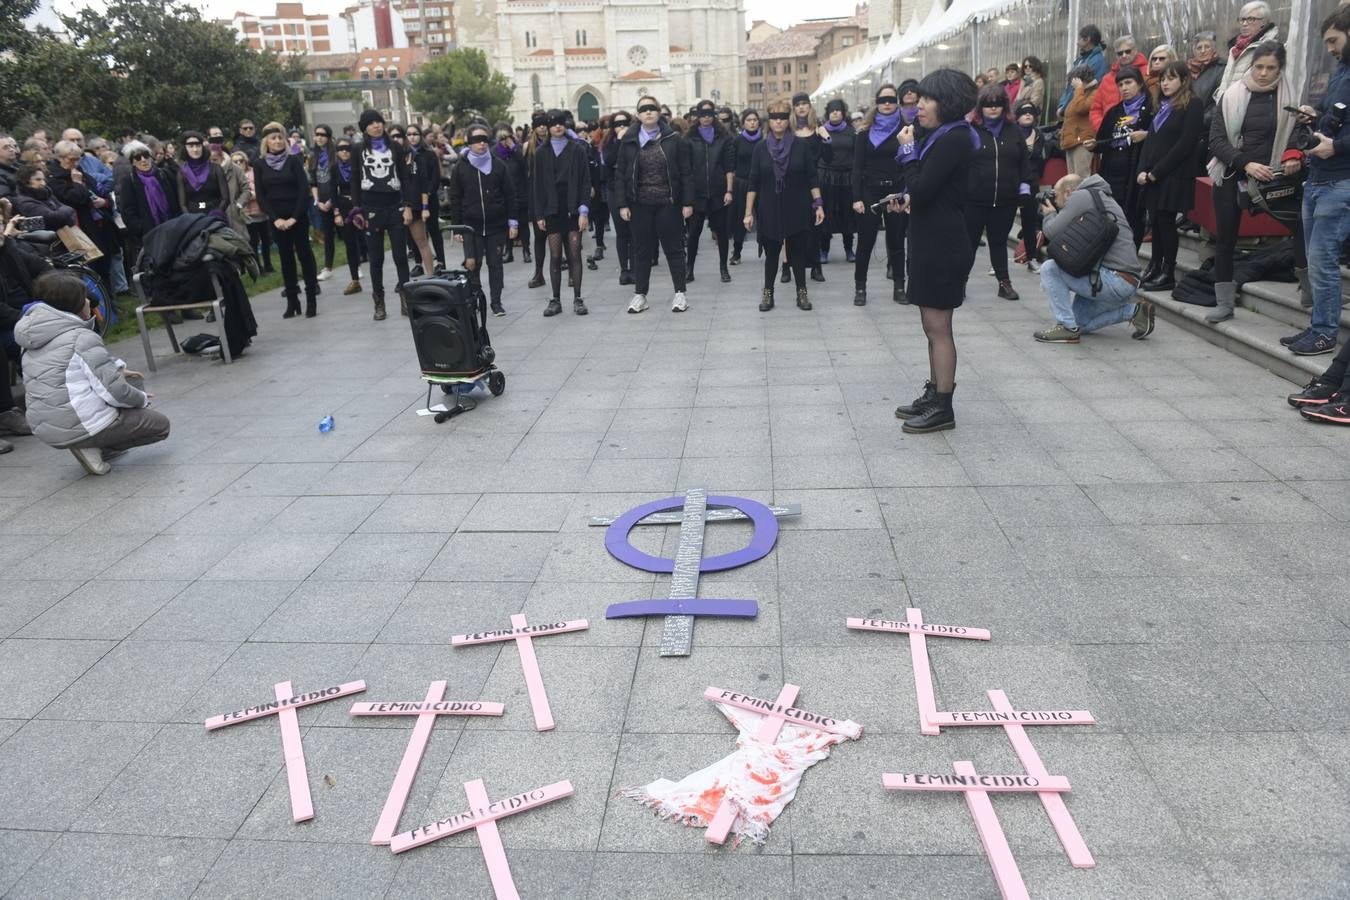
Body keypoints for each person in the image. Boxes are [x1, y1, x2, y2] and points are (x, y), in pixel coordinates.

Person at [892, 70, 981, 434]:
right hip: (931, 238)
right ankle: (934, 392)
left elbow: (924, 187)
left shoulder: (956, 137)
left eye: (927, 99)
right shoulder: (945, 136)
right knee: (931, 326)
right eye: (918, 99)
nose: (918, 106)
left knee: (939, 327)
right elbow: (928, 191)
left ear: (949, 103)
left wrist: (908, 153)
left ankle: (944, 405)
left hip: (944, 243)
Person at [16, 269, 169, 476]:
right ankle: (93, 446)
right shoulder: (80, 337)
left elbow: (75, 364)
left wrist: (118, 368)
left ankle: (90, 442)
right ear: (74, 305)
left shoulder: (31, 335)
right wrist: (141, 400)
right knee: (160, 426)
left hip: (44, 427)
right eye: (86, 298)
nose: (90, 302)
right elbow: (113, 391)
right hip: (77, 426)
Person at [1204, 41, 1307, 327]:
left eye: (1270, 68)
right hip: (1232, 176)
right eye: (1259, 67)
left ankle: (1311, 292)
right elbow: (1216, 141)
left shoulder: (1291, 96)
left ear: (1280, 68)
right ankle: (1224, 302)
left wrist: (1293, 156)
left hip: (1275, 178)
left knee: (1301, 226)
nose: (1263, 73)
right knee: (1225, 240)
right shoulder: (1231, 96)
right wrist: (1245, 163)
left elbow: (1299, 134)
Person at [1288, 8, 1350, 356]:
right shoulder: (1341, 71)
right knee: (1315, 260)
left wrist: (1336, 146)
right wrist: (1316, 116)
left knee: (1323, 261)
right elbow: (1336, 116)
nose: (1329, 49)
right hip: (1318, 178)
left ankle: (1325, 333)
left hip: (1340, 181)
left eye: (1333, 41)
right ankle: (1318, 327)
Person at [1032, 173, 1150, 343]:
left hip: (1115, 279)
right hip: (1126, 280)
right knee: (1081, 323)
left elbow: (1051, 232)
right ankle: (1135, 312)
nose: (1055, 201)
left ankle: (1066, 328)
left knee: (1050, 268)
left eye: (1055, 195)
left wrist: (1050, 213)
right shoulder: (1099, 196)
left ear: (1068, 192)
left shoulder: (1080, 196)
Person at [611, 94, 693, 314]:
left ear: (659, 113)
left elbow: (685, 172)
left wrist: (687, 202)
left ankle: (680, 294)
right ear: (637, 115)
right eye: (643, 109)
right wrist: (622, 204)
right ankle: (640, 295)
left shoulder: (674, 139)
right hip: (639, 204)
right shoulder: (629, 141)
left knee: (674, 248)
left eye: (652, 108)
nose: (648, 112)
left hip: (668, 203)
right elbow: (620, 174)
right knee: (641, 251)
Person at [744, 99, 825, 313]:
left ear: (788, 120)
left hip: (797, 204)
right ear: (769, 121)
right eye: (774, 118)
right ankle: (768, 292)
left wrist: (818, 204)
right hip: (769, 205)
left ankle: (802, 292)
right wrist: (748, 213)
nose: (778, 122)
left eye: (782, 118)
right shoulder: (761, 149)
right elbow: (753, 181)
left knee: (797, 252)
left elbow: (811, 177)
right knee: (771, 252)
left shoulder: (800, 146)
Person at [1134, 61, 1205, 291]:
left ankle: (1168, 271)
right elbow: (1151, 141)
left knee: (1165, 222)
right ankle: (1154, 265)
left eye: (1171, 78)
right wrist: (1142, 169)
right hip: (1154, 176)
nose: (1165, 83)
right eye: (1163, 79)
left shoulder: (1193, 104)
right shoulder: (1163, 106)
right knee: (1155, 221)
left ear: (1184, 80)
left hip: (1174, 175)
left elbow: (1185, 144)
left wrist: (1156, 172)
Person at [966, 85, 1034, 302]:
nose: (993, 108)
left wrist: (1024, 187)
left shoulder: (1013, 130)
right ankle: (959, 282)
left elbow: (1024, 162)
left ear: (1004, 106)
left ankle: (1004, 283)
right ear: (981, 107)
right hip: (975, 199)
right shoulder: (971, 130)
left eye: (997, 104)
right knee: (969, 242)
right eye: (988, 104)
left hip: (1005, 198)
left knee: (998, 241)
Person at [448, 123, 519, 318]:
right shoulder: (460, 168)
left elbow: (510, 195)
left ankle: (496, 302)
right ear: (468, 143)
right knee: (472, 264)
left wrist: (513, 222)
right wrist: (457, 229)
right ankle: (476, 300)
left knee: (495, 264)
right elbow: (455, 199)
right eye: (476, 140)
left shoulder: (498, 165)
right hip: (471, 226)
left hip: (496, 225)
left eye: (484, 140)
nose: (481, 144)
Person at [352, 108, 415, 321]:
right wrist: (356, 209)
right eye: (370, 123)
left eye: (378, 121)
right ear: (365, 128)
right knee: (376, 259)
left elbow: (405, 179)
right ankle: (379, 303)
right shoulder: (358, 150)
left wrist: (407, 206)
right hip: (370, 209)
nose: (376, 126)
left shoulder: (395, 147)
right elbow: (353, 181)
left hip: (395, 206)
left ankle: (406, 300)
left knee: (400, 256)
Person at [253, 121, 320, 319]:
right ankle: (292, 301)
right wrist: (275, 219)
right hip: (276, 219)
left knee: (305, 256)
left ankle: (311, 299)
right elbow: (261, 195)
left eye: (280, 138)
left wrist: (293, 217)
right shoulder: (259, 164)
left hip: (297, 217)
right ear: (266, 142)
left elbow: (303, 191)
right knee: (286, 260)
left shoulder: (294, 161)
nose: (277, 141)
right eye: (273, 138)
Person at [851, 84, 909, 307]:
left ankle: (899, 287)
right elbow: (857, 168)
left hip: (896, 190)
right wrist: (857, 198)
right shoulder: (864, 133)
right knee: (865, 242)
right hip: (869, 191)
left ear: (897, 102)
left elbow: (910, 163)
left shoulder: (906, 130)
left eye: (892, 100)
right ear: (876, 103)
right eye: (883, 100)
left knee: (896, 241)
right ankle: (860, 287)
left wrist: (907, 194)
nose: (887, 104)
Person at [530, 109, 591, 316]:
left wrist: (584, 210)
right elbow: (537, 186)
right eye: (553, 123)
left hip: (573, 208)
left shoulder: (578, 150)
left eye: (561, 122)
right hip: (552, 210)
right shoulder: (541, 153)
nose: (557, 126)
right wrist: (539, 215)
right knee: (555, 255)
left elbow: (585, 181)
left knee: (574, 254)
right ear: (547, 126)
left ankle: (578, 298)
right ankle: (555, 299)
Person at [1088, 65, 1152, 250]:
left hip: (1136, 170)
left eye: (1128, 82)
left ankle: (1131, 257)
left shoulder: (1151, 108)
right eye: (1121, 84)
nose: (1124, 87)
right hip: (1111, 169)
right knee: (1111, 215)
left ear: (1139, 83)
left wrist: (1146, 135)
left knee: (1133, 216)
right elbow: (1103, 139)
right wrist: (1094, 145)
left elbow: (1160, 137)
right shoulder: (1114, 111)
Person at [685, 100, 735, 284]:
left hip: (718, 191)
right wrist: (687, 197)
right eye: (702, 114)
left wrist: (729, 190)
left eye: (709, 114)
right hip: (697, 194)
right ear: (697, 116)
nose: (706, 117)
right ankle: (689, 268)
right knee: (694, 233)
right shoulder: (689, 138)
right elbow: (686, 169)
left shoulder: (724, 137)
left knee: (721, 232)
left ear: (714, 115)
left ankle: (723, 268)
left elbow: (729, 166)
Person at [116, 141, 181, 267]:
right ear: (133, 162)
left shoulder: (164, 174)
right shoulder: (129, 181)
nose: (143, 160)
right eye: (138, 158)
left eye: (146, 156)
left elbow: (177, 198)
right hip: (149, 234)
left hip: (172, 228)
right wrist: (141, 228)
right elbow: (127, 210)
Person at [789, 93, 827, 284]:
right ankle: (786, 266)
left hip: (814, 183)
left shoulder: (817, 129)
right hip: (793, 183)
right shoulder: (789, 130)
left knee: (815, 227)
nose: (802, 107)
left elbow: (828, 158)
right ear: (794, 108)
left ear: (810, 107)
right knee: (789, 226)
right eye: (798, 104)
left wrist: (826, 139)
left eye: (805, 104)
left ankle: (816, 266)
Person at [817, 98, 857, 266]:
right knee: (827, 213)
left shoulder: (851, 132)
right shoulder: (821, 131)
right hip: (827, 177)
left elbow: (856, 155)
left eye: (838, 110)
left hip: (847, 178)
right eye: (832, 110)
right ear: (828, 113)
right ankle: (824, 250)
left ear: (843, 113)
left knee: (847, 213)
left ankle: (849, 249)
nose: (835, 112)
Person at [1215, 1, 1280, 100]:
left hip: (1250, 107)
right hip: (1225, 106)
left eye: (1251, 19)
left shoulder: (1269, 48)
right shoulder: (1235, 48)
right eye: (1242, 19)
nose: (1244, 24)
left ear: (1264, 22)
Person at [1012, 101, 1048, 273]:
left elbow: (1039, 159)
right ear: (1017, 116)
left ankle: (1032, 258)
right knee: (1003, 223)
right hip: (1010, 182)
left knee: (1030, 222)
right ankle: (995, 264)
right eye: (1024, 112)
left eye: (1031, 112)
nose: (1027, 115)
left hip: (1031, 183)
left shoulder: (1039, 135)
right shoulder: (1010, 133)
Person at [405, 123, 444, 274]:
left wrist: (427, 194)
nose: (412, 137)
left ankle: (440, 261)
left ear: (420, 136)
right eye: (409, 134)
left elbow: (434, 178)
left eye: (415, 134)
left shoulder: (428, 154)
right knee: (415, 235)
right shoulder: (405, 155)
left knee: (433, 230)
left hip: (429, 198)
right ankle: (419, 263)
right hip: (412, 201)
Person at [327, 138, 364, 296]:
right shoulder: (334, 168)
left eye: (347, 148)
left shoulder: (360, 165)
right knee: (350, 244)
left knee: (366, 241)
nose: (344, 151)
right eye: (341, 149)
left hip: (361, 206)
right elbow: (333, 192)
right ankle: (354, 280)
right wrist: (336, 213)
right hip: (344, 207)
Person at [599, 112, 633, 282]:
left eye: (625, 123)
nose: (621, 127)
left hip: (633, 190)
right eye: (618, 124)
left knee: (634, 231)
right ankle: (624, 269)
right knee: (621, 232)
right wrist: (620, 140)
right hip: (614, 190)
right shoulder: (608, 143)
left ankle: (634, 267)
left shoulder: (636, 140)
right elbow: (609, 161)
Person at [1092, 35, 1149, 131]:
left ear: (1135, 50)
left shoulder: (1148, 72)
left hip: (1140, 133)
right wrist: (1104, 128)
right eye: (1120, 53)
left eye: (1128, 51)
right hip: (1110, 135)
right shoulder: (1107, 79)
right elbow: (1095, 109)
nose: (1124, 55)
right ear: (1116, 55)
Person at [729, 109, 762, 266]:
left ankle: (768, 250)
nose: (752, 122)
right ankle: (736, 252)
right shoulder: (737, 141)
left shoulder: (764, 139)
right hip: (742, 184)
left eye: (755, 119)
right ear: (743, 123)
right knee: (741, 219)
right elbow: (732, 164)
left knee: (765, 218)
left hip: (762, 184)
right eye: (749, 120)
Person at [233, 149, 273, 274]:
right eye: (235, 161)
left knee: (266, 241)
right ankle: (258, 268)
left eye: (241, 160)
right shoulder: (232, 176)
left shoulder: (255, 172)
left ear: (246, 161)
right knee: (253, 243)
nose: (239, 163)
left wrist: (250, 195)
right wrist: (250, 195)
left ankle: (268, 265)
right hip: (247, 215)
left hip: (262, 212)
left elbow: (262, 188)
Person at [175, 131, 229, 219]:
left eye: (198, 145)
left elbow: (225, 198)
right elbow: (182, 204)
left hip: (216, 217)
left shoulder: (216, 168)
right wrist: (190, 218)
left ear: (202, 147)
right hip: (193, 219)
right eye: (191, 146)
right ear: (185, 148)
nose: (195, 149)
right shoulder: (181, 173)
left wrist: (217, 213)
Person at [522, 111, 549, 287]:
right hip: (535, 193)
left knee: (561, 236)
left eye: (544, 123)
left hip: (553, 193)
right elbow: (523, 173)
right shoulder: (527, 147)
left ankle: (570, 272)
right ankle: (538, 273)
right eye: (538, 124)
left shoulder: (555, 143)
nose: (542, 127)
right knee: (539, 237)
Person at [307, 124, 336, 281]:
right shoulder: (313, 156)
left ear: (328, 137)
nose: (319, 137)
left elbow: (340, 179)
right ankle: (328, 267)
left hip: (337, 200)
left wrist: (333, 200)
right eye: (317, 134)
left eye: (323, 134)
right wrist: (317, 201)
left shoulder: (336, 154)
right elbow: (312, 181)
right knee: (328, 235)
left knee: (349, 233)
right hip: (321, 202)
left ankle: (356, 265)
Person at [1058, 25, 1109, 115]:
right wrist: (1062, 105)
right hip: (1072, 106)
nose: (1077, 42)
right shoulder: (1081, 59)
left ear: (1087, 39)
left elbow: (1087, 87)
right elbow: (1070, 87)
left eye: (1079, 38)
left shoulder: (1096, 61)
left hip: (1081, 108)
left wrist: (1064, 107)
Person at [495, 127, 528, 264]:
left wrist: (514, 148)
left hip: (520, 191)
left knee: (524, 223)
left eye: (507, 138)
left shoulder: (517, 150)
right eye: (502, 139)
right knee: (506, 225)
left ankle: (526, 250)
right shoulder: (495, 152)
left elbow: (524, 164)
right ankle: (508, 251)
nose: (505, 141)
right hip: (504, 194)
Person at [1061, 66, 1100, 178]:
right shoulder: (1081, 94)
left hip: (1082, 142)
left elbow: (1081, 107)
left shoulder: (1094, 93)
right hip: (1072, 141)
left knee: (1081, 178)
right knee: (1072, 179)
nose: (1072, 85)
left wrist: (1079, 89)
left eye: (1074, 82)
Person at [210, 136, 250, 238]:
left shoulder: (235, 169)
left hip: (234, 213)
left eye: (215, 159)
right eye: (209, 160)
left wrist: (239, 205)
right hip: (214, 212)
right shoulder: (206, 172)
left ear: (222, 157)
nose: (212, 162)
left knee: (241, 243)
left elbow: (246, 189)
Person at [0, 133, 19, 200]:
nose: (11, 149)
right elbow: (6, 199)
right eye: (5, 147)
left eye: (11, 146)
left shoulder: (17, 168)